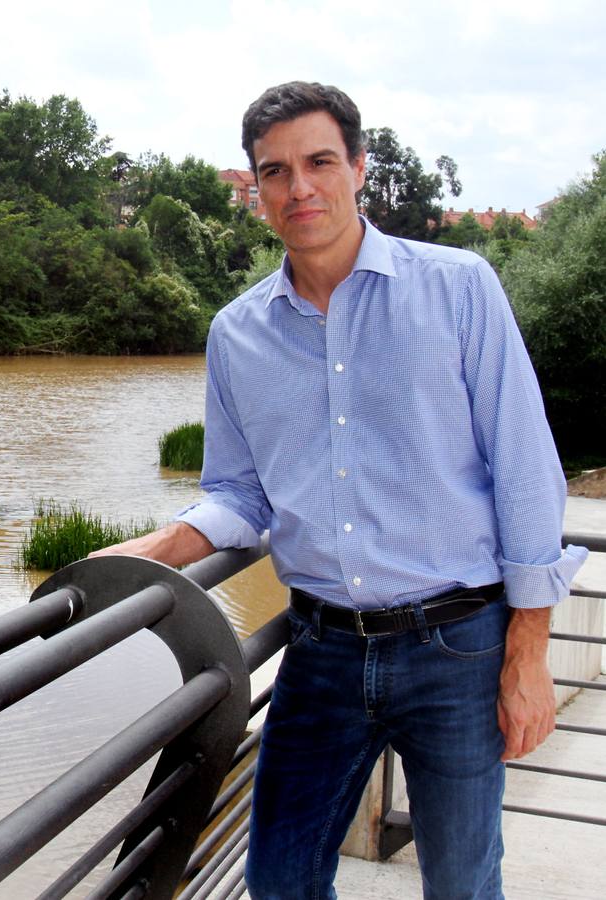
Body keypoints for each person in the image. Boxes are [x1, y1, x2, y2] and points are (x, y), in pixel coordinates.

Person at [92, 81, 587, 899]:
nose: (299, 188)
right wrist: (150, 552)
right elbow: (238, 496)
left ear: (358, 168)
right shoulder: (236, 335)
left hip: (458, 646)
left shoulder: (458, 288)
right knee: (280, 883)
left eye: (319, 162)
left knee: (464, 884)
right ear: (255, 191)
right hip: (319, 654)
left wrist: (527, 655)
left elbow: (525, 471)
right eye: (274, 172)